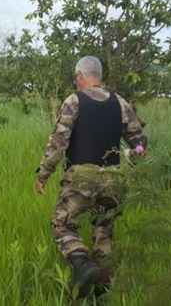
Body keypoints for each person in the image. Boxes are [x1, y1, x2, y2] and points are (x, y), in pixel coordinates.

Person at [34, 56, 147, 298]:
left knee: (62, 225)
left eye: (76, 78)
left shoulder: (74, 101)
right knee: (104, 232)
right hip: (114, 180)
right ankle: (102, 292)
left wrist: (43, 174)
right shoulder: (121, 103)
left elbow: (58, 143)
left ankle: (82, 265)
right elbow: (140, 143)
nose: (76, 82)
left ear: (80, 76)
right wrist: (133, 162)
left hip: (82, 177)